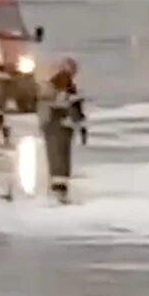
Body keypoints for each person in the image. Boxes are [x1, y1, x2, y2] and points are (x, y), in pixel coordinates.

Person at [38, 57, 86, 204]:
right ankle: (58, 190)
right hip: (56, 126)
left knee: (61, 157)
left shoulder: (67, 87)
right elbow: (54, 104)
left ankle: (60, 189)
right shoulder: (54, 87)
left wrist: (79, 123)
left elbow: (75, 107)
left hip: (63, 127)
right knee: (58, 157)